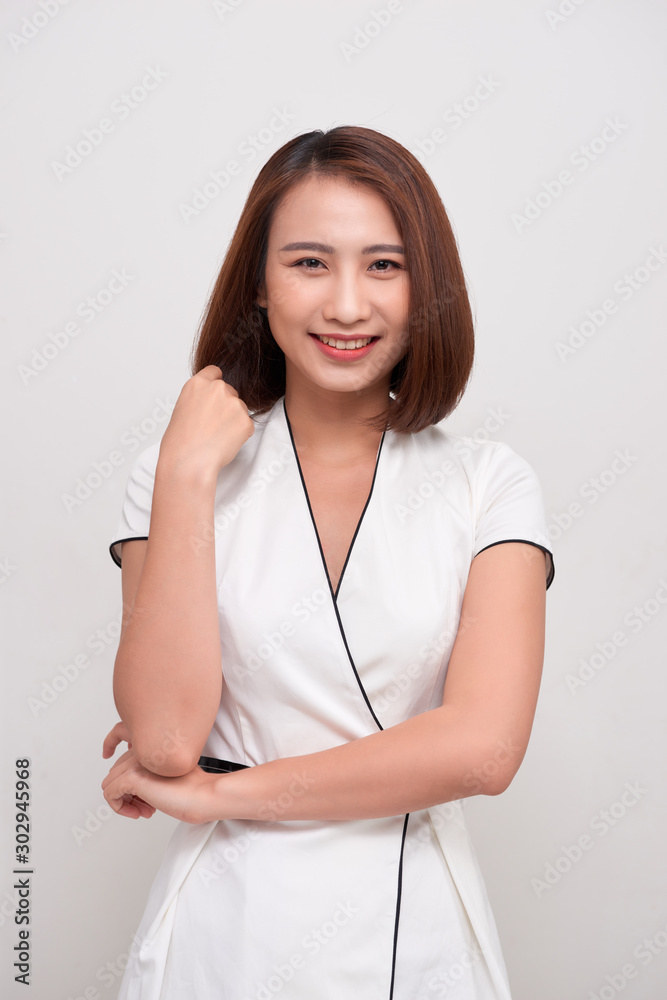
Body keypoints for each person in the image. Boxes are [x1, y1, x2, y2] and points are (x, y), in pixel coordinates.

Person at [101, 125, 555, 1000]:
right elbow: (162, 739)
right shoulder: (174, 478)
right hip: (223, 931)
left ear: (427, 288)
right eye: (309, 263)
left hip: (412, 929)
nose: (347, 305)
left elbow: (483, 750)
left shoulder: (487, 483)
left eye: (383, 266)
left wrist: (218, 796)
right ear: (259, 288)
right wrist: (187, 476)